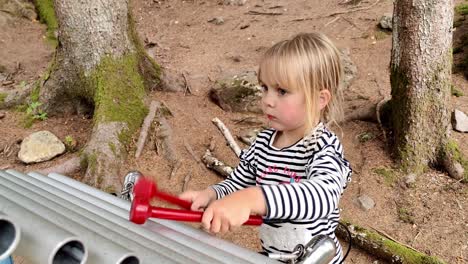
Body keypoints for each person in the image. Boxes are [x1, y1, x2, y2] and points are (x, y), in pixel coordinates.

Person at [180, 32, 352, 264]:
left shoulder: (322, 147)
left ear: (320, 99)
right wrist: (212, 195)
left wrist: (252, 199)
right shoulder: (263, 143)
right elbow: (237, 183)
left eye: (282, 91)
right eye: (265, 88)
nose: (268, 100)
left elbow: (322, 196)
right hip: (277, 255)